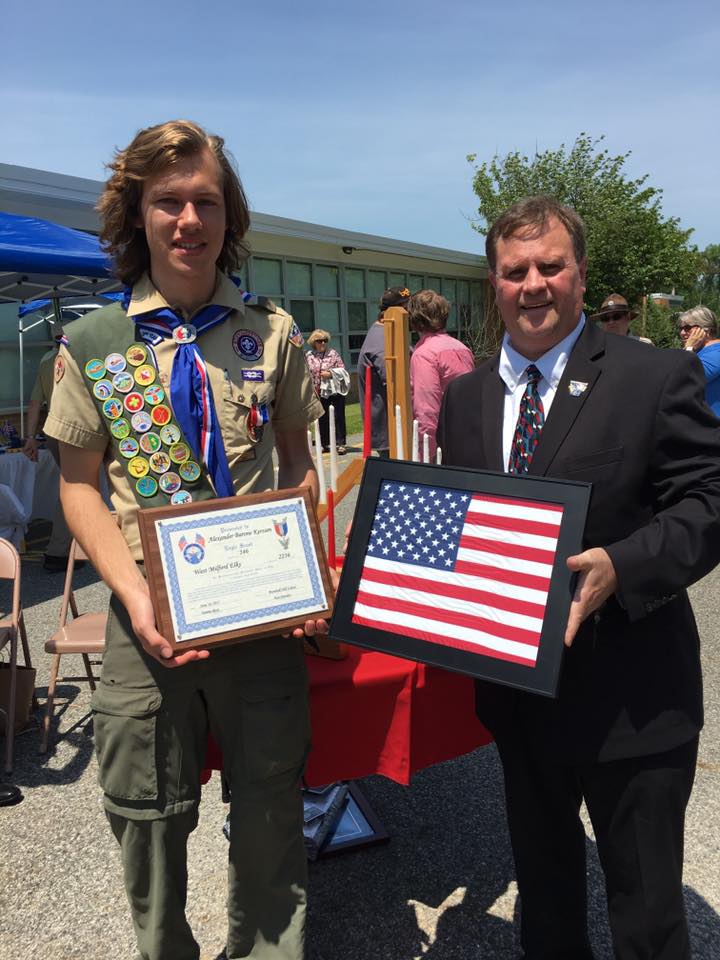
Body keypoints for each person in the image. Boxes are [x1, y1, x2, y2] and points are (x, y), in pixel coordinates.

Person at [43, 119, 326, 960]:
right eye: (168, 202)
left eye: (205, 201)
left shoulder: (272, 336)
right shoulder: (96, 345)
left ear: (227, 216)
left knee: (273, 810)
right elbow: (76, 486)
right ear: (139, 216)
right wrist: (133, 594)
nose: (188, 221)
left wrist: (308, 581)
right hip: (145, 619)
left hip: (262, 618)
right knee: (146, 817)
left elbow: (303, 473)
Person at [437, 195, 720, 960]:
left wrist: (624, 564)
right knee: (547, 891)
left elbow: (709, 499)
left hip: (632, 701)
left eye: (550, 266)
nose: (533, 284)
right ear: (493, 284)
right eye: (514, 270)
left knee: (647, 910)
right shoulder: (466, 396)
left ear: (580, 274)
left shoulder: (655, 375)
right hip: (518, 699)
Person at [21, 320, 75, 571]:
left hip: (52, 431)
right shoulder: (77, 358)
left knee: (73, 487)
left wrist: (30, 437)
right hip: (77, 432)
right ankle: (59, 551)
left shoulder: (45, 363)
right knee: (76, 489)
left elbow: (34, 404)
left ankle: (70, 547)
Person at [407, 289, 474, 458]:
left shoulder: (424, 354)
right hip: (468, 435)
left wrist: (425, 453)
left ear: (415, 320)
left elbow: (427, 409)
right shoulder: (462, 347)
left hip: (441, 446)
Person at [357, 285, 410, 456]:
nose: (410, 312)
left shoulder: (390, 332)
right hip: (390, 430)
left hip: (394, 427)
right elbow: (398, 382)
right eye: (406, 307)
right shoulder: (382, 339)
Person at [305, 328, 348, 454]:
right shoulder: (309, 356)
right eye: (319, 341)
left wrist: (330, 373)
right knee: (322, 417)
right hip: (319, 392)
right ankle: (325, 443)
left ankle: (341, 443)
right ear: (314, 342)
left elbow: (342, 369)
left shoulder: (333, 354)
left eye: (325, 340)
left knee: (338, 416)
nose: (323, 343)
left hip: (335, 391)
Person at [678, 305, 720, 415]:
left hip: (712, 426)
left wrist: (689, 348)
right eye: (680, 328)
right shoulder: (697, 352)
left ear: (707, 330)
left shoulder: (717, 354)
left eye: (687, 328)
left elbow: (682, 379)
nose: (682, 333)